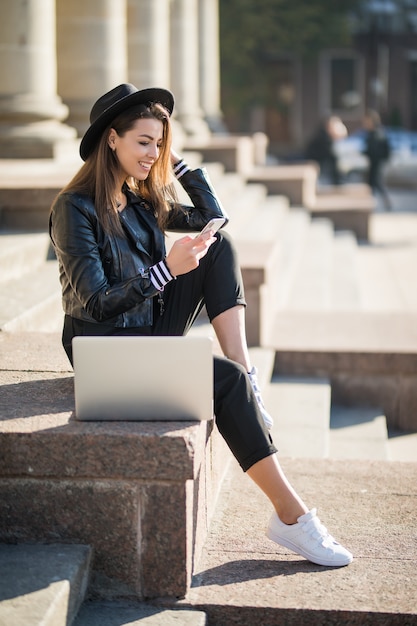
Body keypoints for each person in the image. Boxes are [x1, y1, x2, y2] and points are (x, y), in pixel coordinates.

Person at [49, 83, 353, 568]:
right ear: (112, 139)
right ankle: (292, 519)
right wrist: (165, 271)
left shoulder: (141, 199)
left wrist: (180, 165)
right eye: (143, 142)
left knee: (217, 247)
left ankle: (246, 371)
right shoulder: (75, 209)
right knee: (224, 385)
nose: (153, 154)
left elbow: (215, 218)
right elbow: (95, 302)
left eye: (159, 143)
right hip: (104, 350)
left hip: (147, 332)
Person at [362, 109, 392, 210]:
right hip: (374, 163)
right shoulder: (372, 133)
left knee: (377, 184)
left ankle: (384, 204)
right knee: (373, 185)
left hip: (377, 164)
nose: (365, 123)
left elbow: (377, 151)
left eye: (367, 121)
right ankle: (371, 205)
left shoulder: (378, 133)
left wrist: (365, 153)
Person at [305, 115, 347, 185]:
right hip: (321, 173)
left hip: (322, 172)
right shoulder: (323, 141)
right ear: (329, 127)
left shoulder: (324, 138)